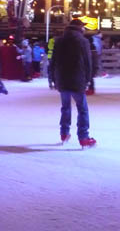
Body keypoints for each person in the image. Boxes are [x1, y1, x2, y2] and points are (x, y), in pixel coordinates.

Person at [50, 19, 96, 148]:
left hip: (62, 80)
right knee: (82, 109)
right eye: (83, 27)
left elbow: (53, 61)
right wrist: (88, 80)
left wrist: (53, 78)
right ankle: (84, 138)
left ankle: (64, 133)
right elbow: (88, 62)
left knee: (65, 107)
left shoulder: (59, 41)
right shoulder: (83, 41)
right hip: (77, 79)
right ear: (80, 28)